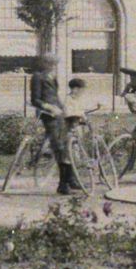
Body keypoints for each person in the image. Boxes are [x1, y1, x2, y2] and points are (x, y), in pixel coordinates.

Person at [29, 65, 85, 195]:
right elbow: (36, 99)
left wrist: (64, 111)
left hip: (60, 118)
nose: (53, 68)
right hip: (50, 116)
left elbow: (58, 101)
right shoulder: (38, 78)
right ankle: (63, 184)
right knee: (62, 149)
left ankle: (70, 180)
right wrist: (49, 107)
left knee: (69, 149)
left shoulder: (52, 78)